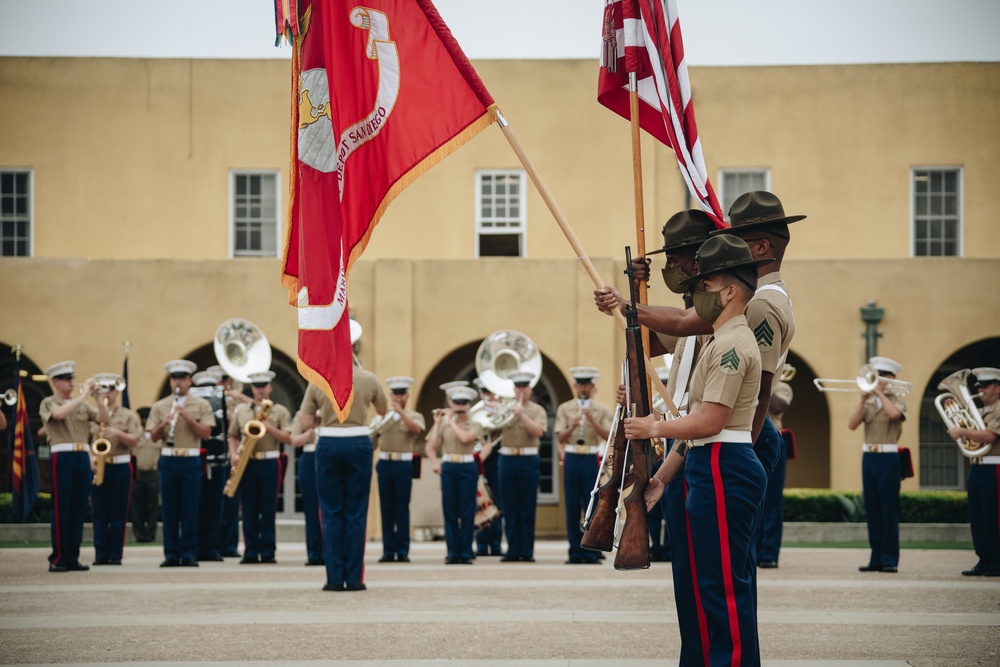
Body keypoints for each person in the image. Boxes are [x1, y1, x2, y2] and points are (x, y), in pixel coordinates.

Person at [629, 234, 771, 666]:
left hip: (726, 464)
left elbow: (710, 420)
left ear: (730, 291)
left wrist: (656, 425)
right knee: (711, 583)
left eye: (704, 287)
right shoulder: (718, 337)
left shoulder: (731, 343)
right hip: (709, 461)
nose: (697, 295)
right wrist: (666, 474)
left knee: (724, 587)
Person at [597, 208, 716, 663]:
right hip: (682, 448)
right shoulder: (691, 312)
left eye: (677, 257)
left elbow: (682, 324)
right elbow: (650, 345)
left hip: (698, 444)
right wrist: (636, 295)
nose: (671, 268)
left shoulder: (710, 314)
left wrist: (630, 302)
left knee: (708, 578)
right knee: (688, 578)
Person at [299, 352, 388, 592]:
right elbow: (382, 411)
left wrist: (327, 415)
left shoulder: (318, 380)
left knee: (330, 513)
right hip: (359, 441)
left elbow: (306, 421)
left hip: (328, 442)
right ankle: (355, 579)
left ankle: (335, 579)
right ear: (356, 351)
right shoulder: (369, 378)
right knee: (356, 513)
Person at [40, 360, 110, 572]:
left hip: (81, 455)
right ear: (55, 382)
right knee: (62, 509)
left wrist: (98, 399)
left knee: (78, 509)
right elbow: (59, 415)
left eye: (72, 378)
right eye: (67, 379)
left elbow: (104, 419)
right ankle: (59, 557)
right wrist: (82, 395)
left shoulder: (82, 404)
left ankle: (72, 556)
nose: (71, 382)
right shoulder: (48, 402)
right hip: (62, 456)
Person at [146, 360, 215, 567]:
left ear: (189, 381)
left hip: (190, 459)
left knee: (189, 508)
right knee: (169, 509)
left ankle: (188, 553)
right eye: (175, 378)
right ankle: (171, 554)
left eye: (182, 378)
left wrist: (188, 418)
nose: (178, 382)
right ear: (170, 381)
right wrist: (163, 423)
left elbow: (207, 433)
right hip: (168, 458)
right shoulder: (160, 406)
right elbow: (153, 437)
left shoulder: (201, 405)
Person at [848, 355, 907, 573]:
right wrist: (863, 399)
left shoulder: (899, 399)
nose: (878, 379)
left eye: (883, 376)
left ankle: (890, 558)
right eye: (877, 375)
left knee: (887, 509)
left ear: (892, 378)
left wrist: (880, 392)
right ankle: (876, 557)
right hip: (869, 457)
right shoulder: (869, 400)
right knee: (872, 508)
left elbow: (893, 414)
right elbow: (851, 425)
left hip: (889, 457)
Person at [228, 370, 292, 564]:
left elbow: (288, 437)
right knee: (248, 509)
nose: (260, 390)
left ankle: (268, 551)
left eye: (264, 385)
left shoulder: (279, 411)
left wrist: (268, 427)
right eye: (257, 386)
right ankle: (250, 550)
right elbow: (233, 435)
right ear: (252, 389)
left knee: (268, 508)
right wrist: (232, 454)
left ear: (270, 387)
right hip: (247, 462)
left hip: (269, 461)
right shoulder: (242, 411)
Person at [554, 366, 612, 564]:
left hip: (590, 457)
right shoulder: (565, 408)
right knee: (571, 504)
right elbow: (559, 437)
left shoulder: (601, 409)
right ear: (575, 385)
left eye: (586, 384)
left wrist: (592, 421)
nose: (583, 388)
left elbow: (609, 436)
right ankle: (574, 551)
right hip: (571, 457)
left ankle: (591, 550)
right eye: (580, 384)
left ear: (592, 386)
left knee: (592, 505)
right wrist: (572, 425)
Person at [948, 367, 1000, 577]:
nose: (981, 390)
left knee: (993, 516)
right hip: (976, 466)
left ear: (997, 388)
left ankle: (997, 560)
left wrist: (962, 431)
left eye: (985, 386)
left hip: (994, 466)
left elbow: (989, 436)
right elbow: (968, 430)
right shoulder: (981, 411)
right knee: (977, 515)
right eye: (979, 386)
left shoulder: (999, 409)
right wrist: (953, 411)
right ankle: (984, 559)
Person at [425, 382, 482, 564]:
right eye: (456, 403)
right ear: (450, 402)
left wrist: (450, 420)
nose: (460, 407)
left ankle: (465, 552)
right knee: (450, 511)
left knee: (466, 511)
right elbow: (431, 445)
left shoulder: (475, 423)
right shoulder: (444, 423)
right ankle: (452, 552)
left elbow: (466, 438)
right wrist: (438, 423)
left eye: (464, 403)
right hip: (449, 466)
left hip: (467, 466)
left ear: (469, 404)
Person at [89, 373, 142, 565]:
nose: (107, 393)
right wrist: (91, 458)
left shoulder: (128, 415)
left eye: (110, 389)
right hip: (99, 465)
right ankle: (100, 554)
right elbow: (87, 442)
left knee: (118, 513)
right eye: (103, 389)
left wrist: (119, 433)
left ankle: (115, 554)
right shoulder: (94, 415)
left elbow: (136, 440)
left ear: (116, 391)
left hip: (120, 464)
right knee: (98, 512)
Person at [373, 376, 426, 563]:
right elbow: (373, 439)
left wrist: (401, 413)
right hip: (385, 463)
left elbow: (416, 431)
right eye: (395, 393)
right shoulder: (382, 417)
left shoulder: (414, 416)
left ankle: (403, 550)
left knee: (402, 508)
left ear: (408, 396)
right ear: (390, 394)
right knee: (386, 508)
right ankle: (388, 550)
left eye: (402, 393)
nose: (398, 397)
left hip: (404, 464)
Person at [497, 369, 548, 563]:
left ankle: (526, 551)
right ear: (513, 388)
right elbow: (491, 429)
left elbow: (538, 432)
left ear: (530, 389)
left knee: (526, 506)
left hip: (528, 459)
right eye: (517, 386)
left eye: (524, 386)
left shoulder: (537, 410)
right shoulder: (504, 407)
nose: (521, 390)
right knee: (509, 506)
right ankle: (511, 549)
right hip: (507, 458)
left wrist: (521, 415)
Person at [210, 364, 249, 558]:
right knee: (216, 504)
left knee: (233, 504)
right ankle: (215, 544)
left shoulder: (239, 403)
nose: (224, 383)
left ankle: (231, 545)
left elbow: (254, 408)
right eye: (221, 380)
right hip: (216, 457)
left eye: (227, 379)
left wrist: (238, 397)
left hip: (234, 457)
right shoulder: (210, 401)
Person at [191, 370, 228, 562]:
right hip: (197, 459)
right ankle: (197, 546)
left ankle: (213, 546)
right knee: (196, 505)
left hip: (218, 459)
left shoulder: (223, 402)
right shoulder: (193, 405)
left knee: (215, 506)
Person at [757, 379, 794, 568]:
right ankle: (754, 551)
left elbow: (779, 406)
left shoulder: (781, 385)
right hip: (750, 438)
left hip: (773, 438)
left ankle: (769, 553)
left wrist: (762, 380)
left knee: (772, 498)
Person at [473, 378, 504, 557]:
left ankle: (496, 544)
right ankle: (482, 544)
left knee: (496, 500)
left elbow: (504, 428)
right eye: (483, 392)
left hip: (496, 458)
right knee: (480, 501)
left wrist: (497, 409)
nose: (486, 395)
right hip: (478, 457)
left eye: (489, 391)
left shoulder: (500, 409)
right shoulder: (475, 412)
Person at [290, 403, 322, 566]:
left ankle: (331, 551)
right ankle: (314, 553)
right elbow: (294, 440)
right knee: (311, 509)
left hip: (328, 456)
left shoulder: (332, 411)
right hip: (309, 457)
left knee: (330, 508)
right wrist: (311, 431)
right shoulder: (302, 414)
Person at [130, 407, 160, 543]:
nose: (145, 421)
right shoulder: (136, 435)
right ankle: (139, 535)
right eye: (142, 418)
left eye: (147, 418)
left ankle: (150, 534)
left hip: (153, 472)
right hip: (138, 472)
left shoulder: (157, 436)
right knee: (137, 506)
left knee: (152, 506)